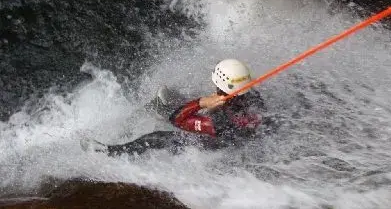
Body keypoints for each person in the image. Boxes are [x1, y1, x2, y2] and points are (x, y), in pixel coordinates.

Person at [81, 59, 268, 156]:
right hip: (240, 132)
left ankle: (109, 152)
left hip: (218, 144)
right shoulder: (250, 95)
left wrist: (202, 102)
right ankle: (169, 105)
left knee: (157, 137)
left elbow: (177, 120)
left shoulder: (216, 123)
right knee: (195, 105)